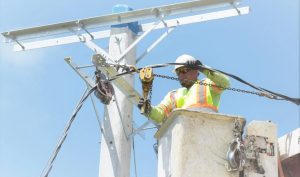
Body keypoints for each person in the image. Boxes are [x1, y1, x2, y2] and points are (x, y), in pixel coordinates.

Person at [138, 54, 230, 124]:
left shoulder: (207, 84)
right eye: (178, 73)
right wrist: (149, 110)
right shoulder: (173, 95)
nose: (181, 75)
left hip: (206, 130)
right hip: (183, 138)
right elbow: (161, 115)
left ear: (196, 71)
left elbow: (224, 83)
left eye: (184, 70)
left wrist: (203, 68)